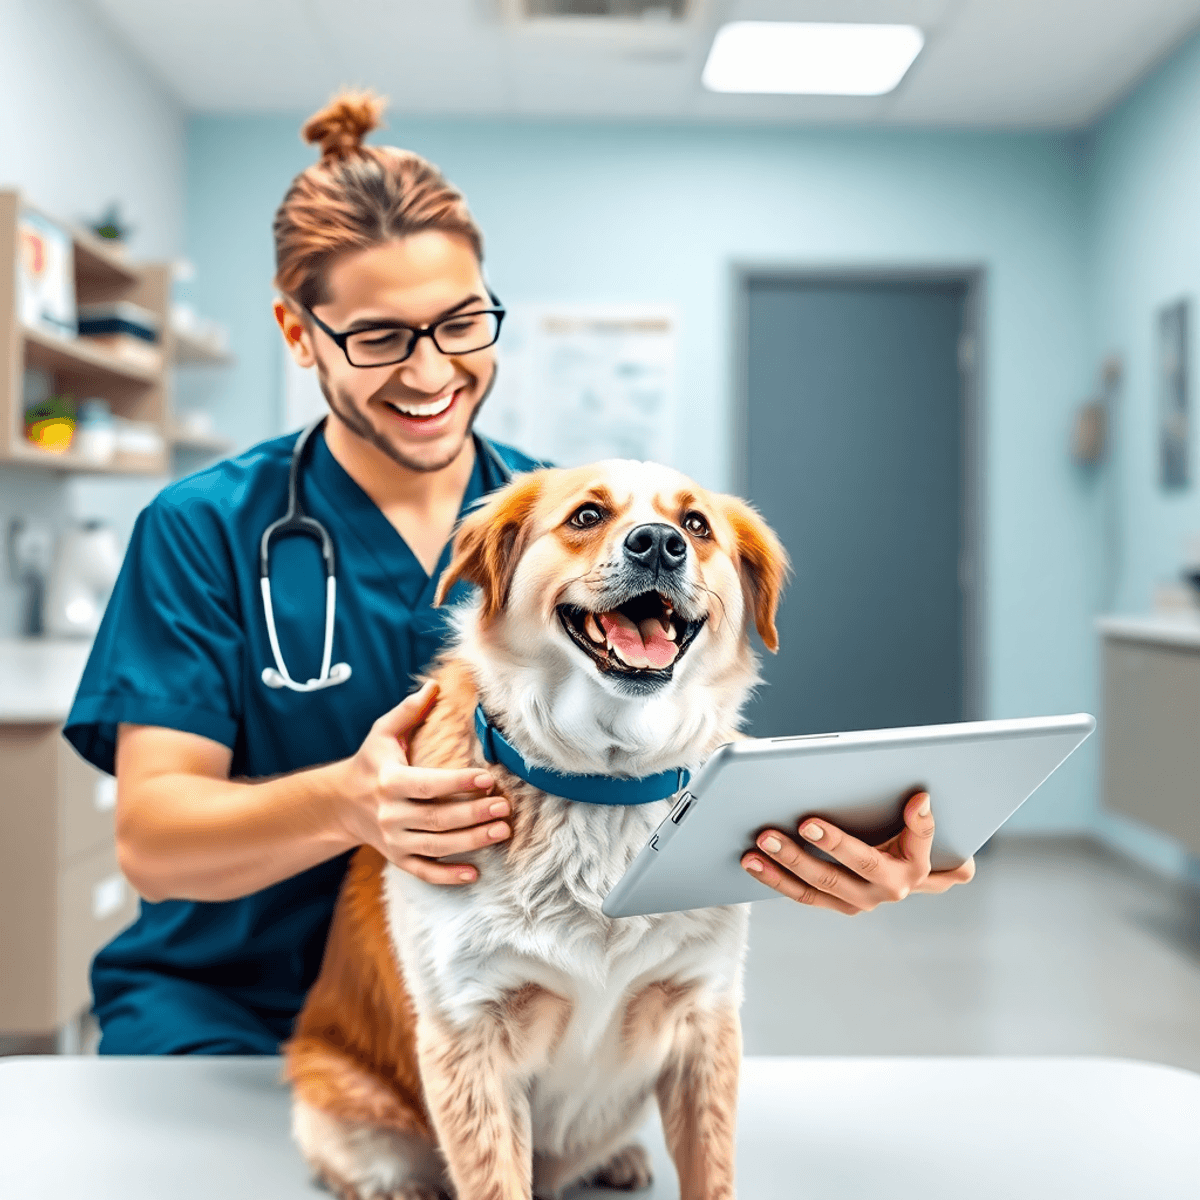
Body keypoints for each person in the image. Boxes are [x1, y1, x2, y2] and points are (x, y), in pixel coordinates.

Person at [64, 92, 972, 1057]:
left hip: (515, 1036)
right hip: (233, 1020)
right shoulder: (206, 529)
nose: (431, 373)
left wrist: (847, 847)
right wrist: (348, 804)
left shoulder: (565, 530)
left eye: (462, 323)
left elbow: (664, 764)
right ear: (299, 336)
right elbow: (153, 842)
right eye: (379, 338)